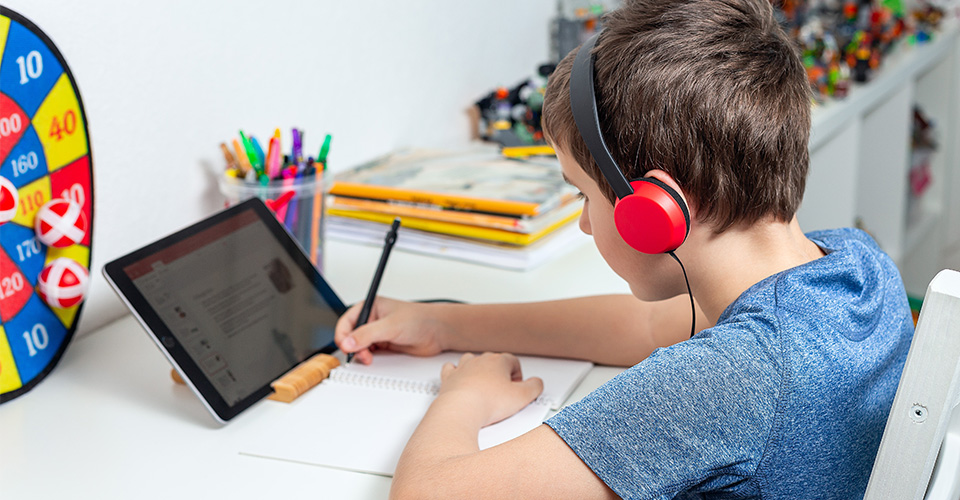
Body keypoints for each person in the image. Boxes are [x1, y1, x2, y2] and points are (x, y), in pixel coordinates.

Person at [334, 0, 914, 497]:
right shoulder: (853, 264)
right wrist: (443, 324)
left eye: (584, 196)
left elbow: (426, 493)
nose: (586, 224)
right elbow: (642, 329)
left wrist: (465, 396)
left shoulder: (732, 379)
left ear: (653, 211)